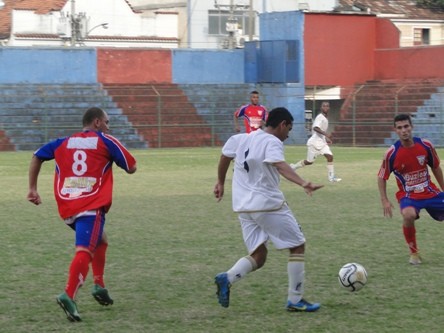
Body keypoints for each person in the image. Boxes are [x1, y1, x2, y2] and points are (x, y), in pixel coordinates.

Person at [27, 107, 137, 321]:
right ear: (97, 122)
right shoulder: (105, 140)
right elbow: (132, 166)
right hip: (91, 203)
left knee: (101, 239)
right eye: (107, 121)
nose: (108, 125)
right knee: (85, 249)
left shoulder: (63, 142)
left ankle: (99, 285)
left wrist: (32, 188)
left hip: (68, 205)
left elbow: (36, 155)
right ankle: (69, 294)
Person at [214, 107, 323, 312]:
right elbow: (279, 164)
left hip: (243, 208)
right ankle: (295, 299)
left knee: (259, 256)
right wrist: (303, 183)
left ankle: (227, 278)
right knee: (297, 246)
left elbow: (224, 156)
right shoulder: (272, 141)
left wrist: (220, 182)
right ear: (282, 125)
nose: (288, 135)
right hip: (267, 205)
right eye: (288, 129)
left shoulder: (241, 139)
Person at [377, 113, 444, 265]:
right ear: (395, 130)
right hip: (409, 195)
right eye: (399, 128)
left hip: (429, 191)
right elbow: (381, 177)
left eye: (406, 126)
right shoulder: (391, 154)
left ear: (412, 127)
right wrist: (384, 200)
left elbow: (436, 168)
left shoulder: (426, 146)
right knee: (408, 215)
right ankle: (414, 253)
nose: (404, 130)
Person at [290, 101, 341, 182]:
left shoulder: (325, 118)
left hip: (322, 143)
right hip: (314, 143)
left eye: (327, 106)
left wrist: (326, 138)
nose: (325, 107)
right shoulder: (320, 117)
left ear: (329, 108)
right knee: (309, 162)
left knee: (330, 156)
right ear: (321, 108)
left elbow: (321, 131)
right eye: (324, 106)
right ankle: (293, 167)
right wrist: (326, 134)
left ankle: (331, 178)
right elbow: (315, 128)